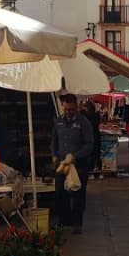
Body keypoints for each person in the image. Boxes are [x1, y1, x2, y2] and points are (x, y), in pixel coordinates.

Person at [51, 93, 94, 233]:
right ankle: (64, 221)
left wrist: (76, 156)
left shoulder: (84, 123)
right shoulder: (58, 122)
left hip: (78, 165)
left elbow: (89, 144)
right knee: (60, 193)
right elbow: (54, 140)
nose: (68, 112)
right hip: (62, 165)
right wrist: (54, 154)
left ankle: (77, 223)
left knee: (78, 194)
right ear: (63, 107)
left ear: (76, 107)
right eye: (66, 109)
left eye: (71, 109)